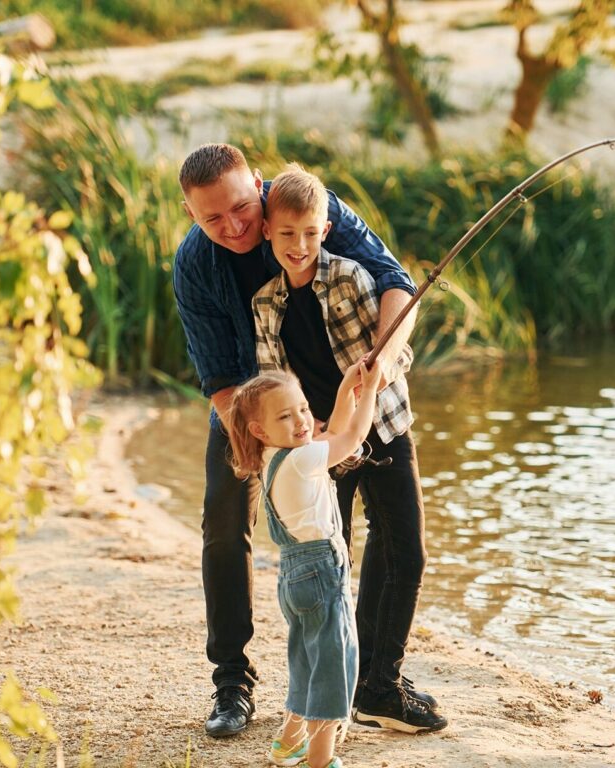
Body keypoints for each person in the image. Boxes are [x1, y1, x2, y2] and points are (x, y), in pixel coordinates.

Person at [174, 143, 418, 737]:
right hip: (246, 406)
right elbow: (220, 382)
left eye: (240, 209)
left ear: (257, 186)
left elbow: (396, 282)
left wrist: (380, 363)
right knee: (224, 524)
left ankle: (371, 682)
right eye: (212, 219)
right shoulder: (194, 266)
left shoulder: (306, 209)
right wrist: (276, 447)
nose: (233, 228)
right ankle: (232, 681)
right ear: (191, 217)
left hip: (339, 401)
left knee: (342, 545)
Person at [253, 164, 447, 733]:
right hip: (318, 449)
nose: (300, 245)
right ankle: (341, 683)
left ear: (326, 229)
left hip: (383, 427)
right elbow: (270, 380)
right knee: (333, 568)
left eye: (311, 233)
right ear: (268, 232)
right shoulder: (265, 305)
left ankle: (380, 683)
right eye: (287, 234)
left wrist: (381, 370)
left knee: (405, 552)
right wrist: (302, 430)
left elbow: (399, 355)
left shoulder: (351, 278)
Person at [224, 364, 381, 768]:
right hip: (321, 574)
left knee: (308, 661)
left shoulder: (277, 459)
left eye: (304, 408)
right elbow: (353, 437)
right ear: (260, 430)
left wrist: (347, 389)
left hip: (296, 577)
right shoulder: (301, 460)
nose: (301, 421)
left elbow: (329, 435)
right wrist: (371, 394)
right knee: (332, 664)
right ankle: (320, 760)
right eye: (285, 416)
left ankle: (290, 742)